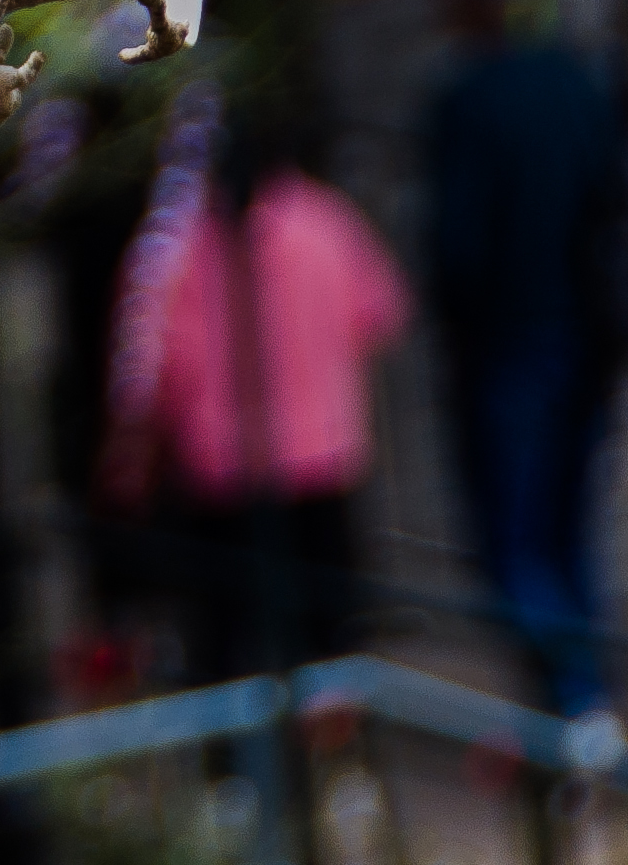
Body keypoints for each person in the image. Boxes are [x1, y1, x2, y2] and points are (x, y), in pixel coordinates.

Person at [416, 0, 628, 721]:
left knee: (513, 544)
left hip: (508, 348)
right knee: (571, 527)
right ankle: (591, 703)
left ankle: (575, 707)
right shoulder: (582, 79)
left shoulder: (467, 101)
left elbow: (459, 245)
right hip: (590, 339)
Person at [121, 103, 411, 679]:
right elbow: (381, 312)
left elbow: (152, 368)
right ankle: (338, 761)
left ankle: (240, 767)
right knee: (330, 635)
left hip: (223, 473)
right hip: (323, 457)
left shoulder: (176, 247)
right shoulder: (326, 220)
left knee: (229, 642)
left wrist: (136, 451)